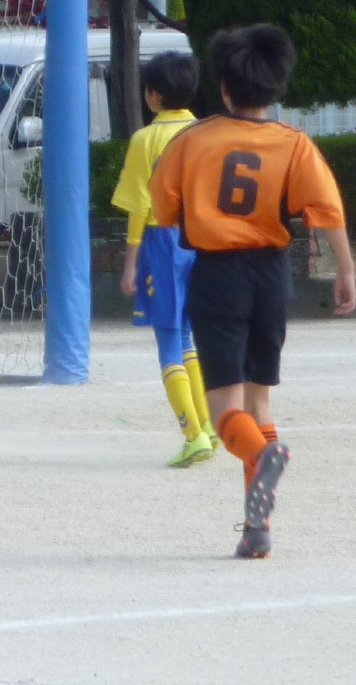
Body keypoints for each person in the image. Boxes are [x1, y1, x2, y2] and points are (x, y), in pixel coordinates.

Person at [149, 24, 356, 559]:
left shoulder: (191, 140)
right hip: (271, 273)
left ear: (223, 88)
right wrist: (346, 270)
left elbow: (163, 209)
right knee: (259, 397)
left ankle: (263, 458)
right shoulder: (294, 143)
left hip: (218, 274)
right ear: (276, 87)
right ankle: (255, 529)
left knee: (224, 409)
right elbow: (327, 209)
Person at [110, 52, 217, 468]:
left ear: (153, 96)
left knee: (169, 339)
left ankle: (192, 436)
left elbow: (140, 203)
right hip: (201, 241)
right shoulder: (204, 134)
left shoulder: (145, 139)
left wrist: (130, 263)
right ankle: (207, 425)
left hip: (163, 242)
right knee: (188, 334)